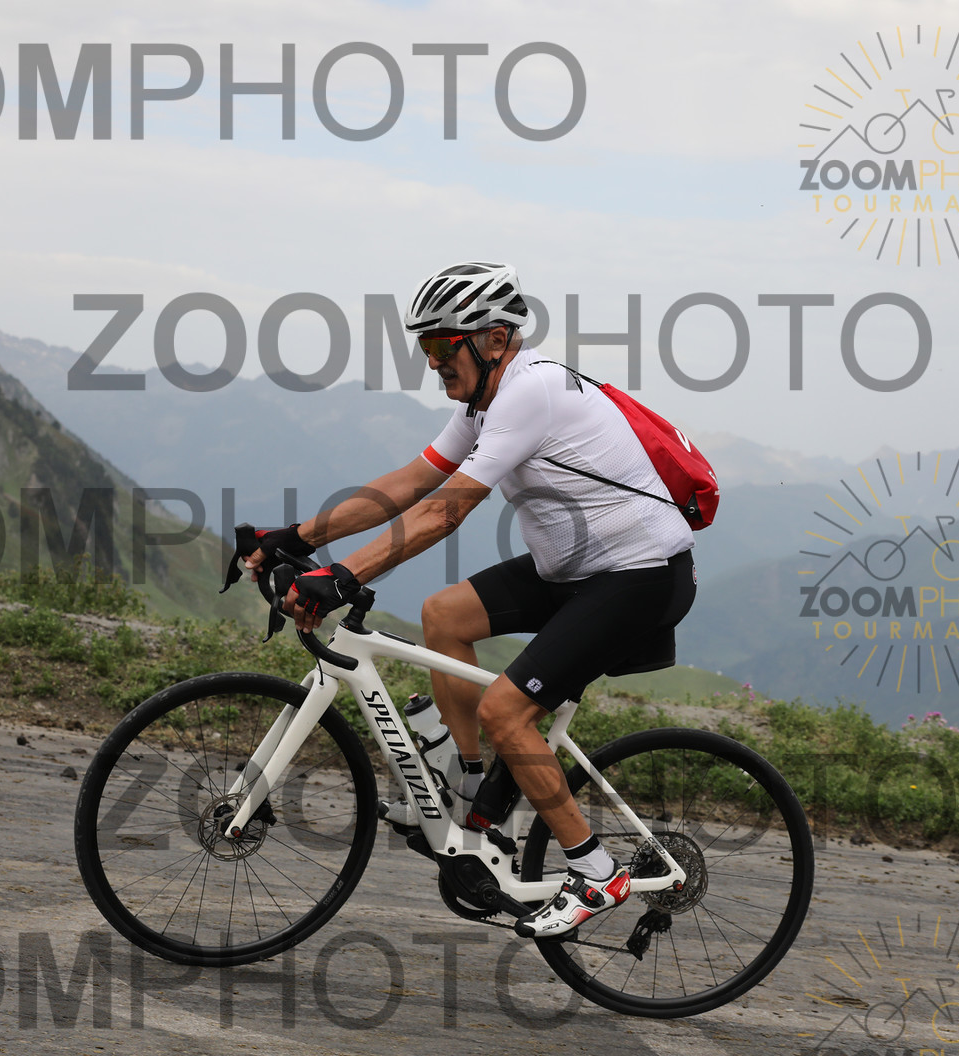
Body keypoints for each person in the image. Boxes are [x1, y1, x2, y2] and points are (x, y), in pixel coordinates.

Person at [244, 262, 696, 938]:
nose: (431, 363)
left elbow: (444, 511)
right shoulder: (484, 402)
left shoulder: (529, 393)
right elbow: (410, 483)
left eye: (440, 346)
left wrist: (342, 576)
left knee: (506, 711)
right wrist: (297, 536)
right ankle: (469, 784)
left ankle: (596, 871)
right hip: (577, 567)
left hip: (640, 575)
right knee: (444, 615)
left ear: (493, 339)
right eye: (424, 347)